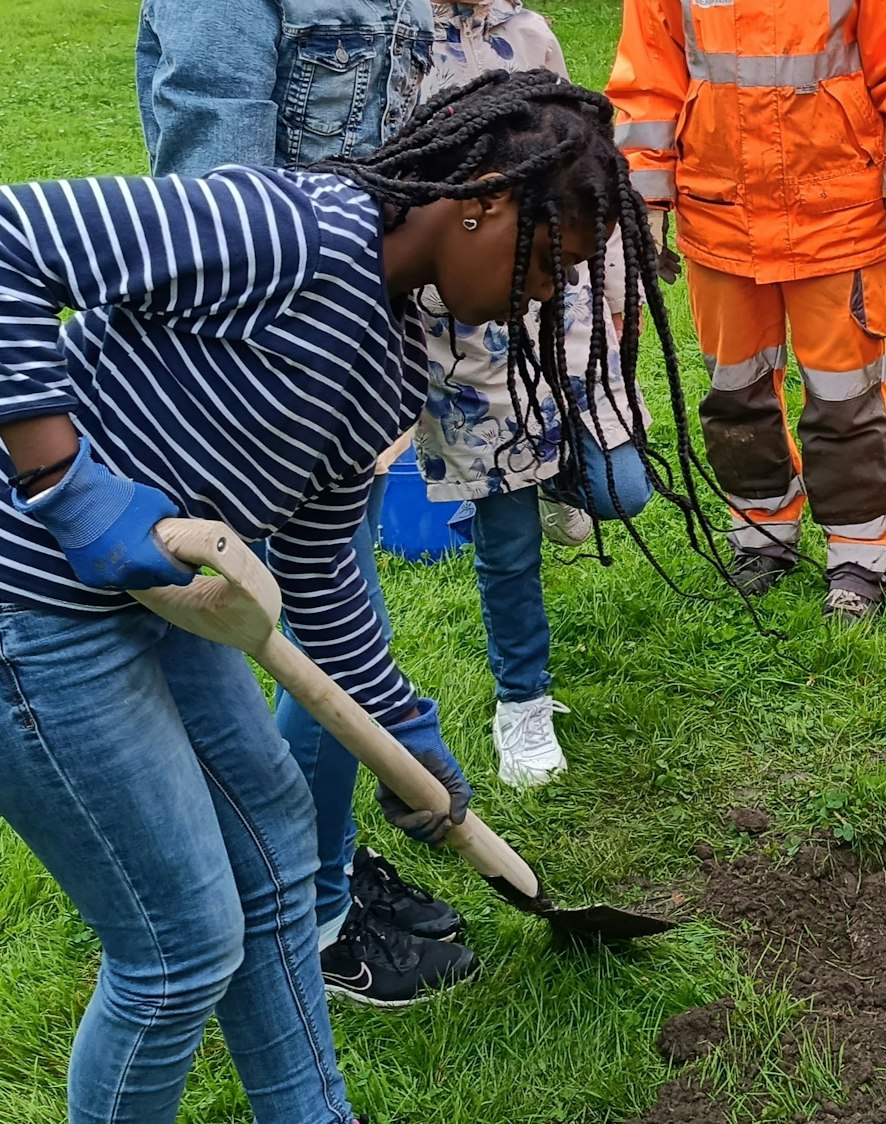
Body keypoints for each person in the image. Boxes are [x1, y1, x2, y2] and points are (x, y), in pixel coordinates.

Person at [0, 69, 699, 1122]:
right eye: (548, 263)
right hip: (34, 605)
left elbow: (321, 567)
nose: (542, 298)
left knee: (280, 860)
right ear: (485, 199)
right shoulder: (284, 227)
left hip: (162, 602)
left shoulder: (386, 359)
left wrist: (403, 722)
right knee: (179, 942)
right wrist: (60, 473)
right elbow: (10, 235)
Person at [135, 0, 476, 1005]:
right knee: (313, 623)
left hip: (358, 328)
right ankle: (314, 918)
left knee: (330, 605)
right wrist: (291, 368)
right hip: (272, 357)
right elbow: (216, 182)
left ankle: (323, 873)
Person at [608, 0, 886, 621]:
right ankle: (759, 534)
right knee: (734, 390)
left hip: (838, 208)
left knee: (845, 400)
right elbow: (649, 76)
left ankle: (860, 556)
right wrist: (645, 199)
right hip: (719, 210)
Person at [413, 0, 655, 789]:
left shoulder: (532, 33)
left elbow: (585, 167)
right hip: (466, 340)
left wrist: (617, 288)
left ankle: (553, 475)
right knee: (507, 546)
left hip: (560, 322)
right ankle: (523, 699)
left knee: (621, 491)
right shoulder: (395, 43)